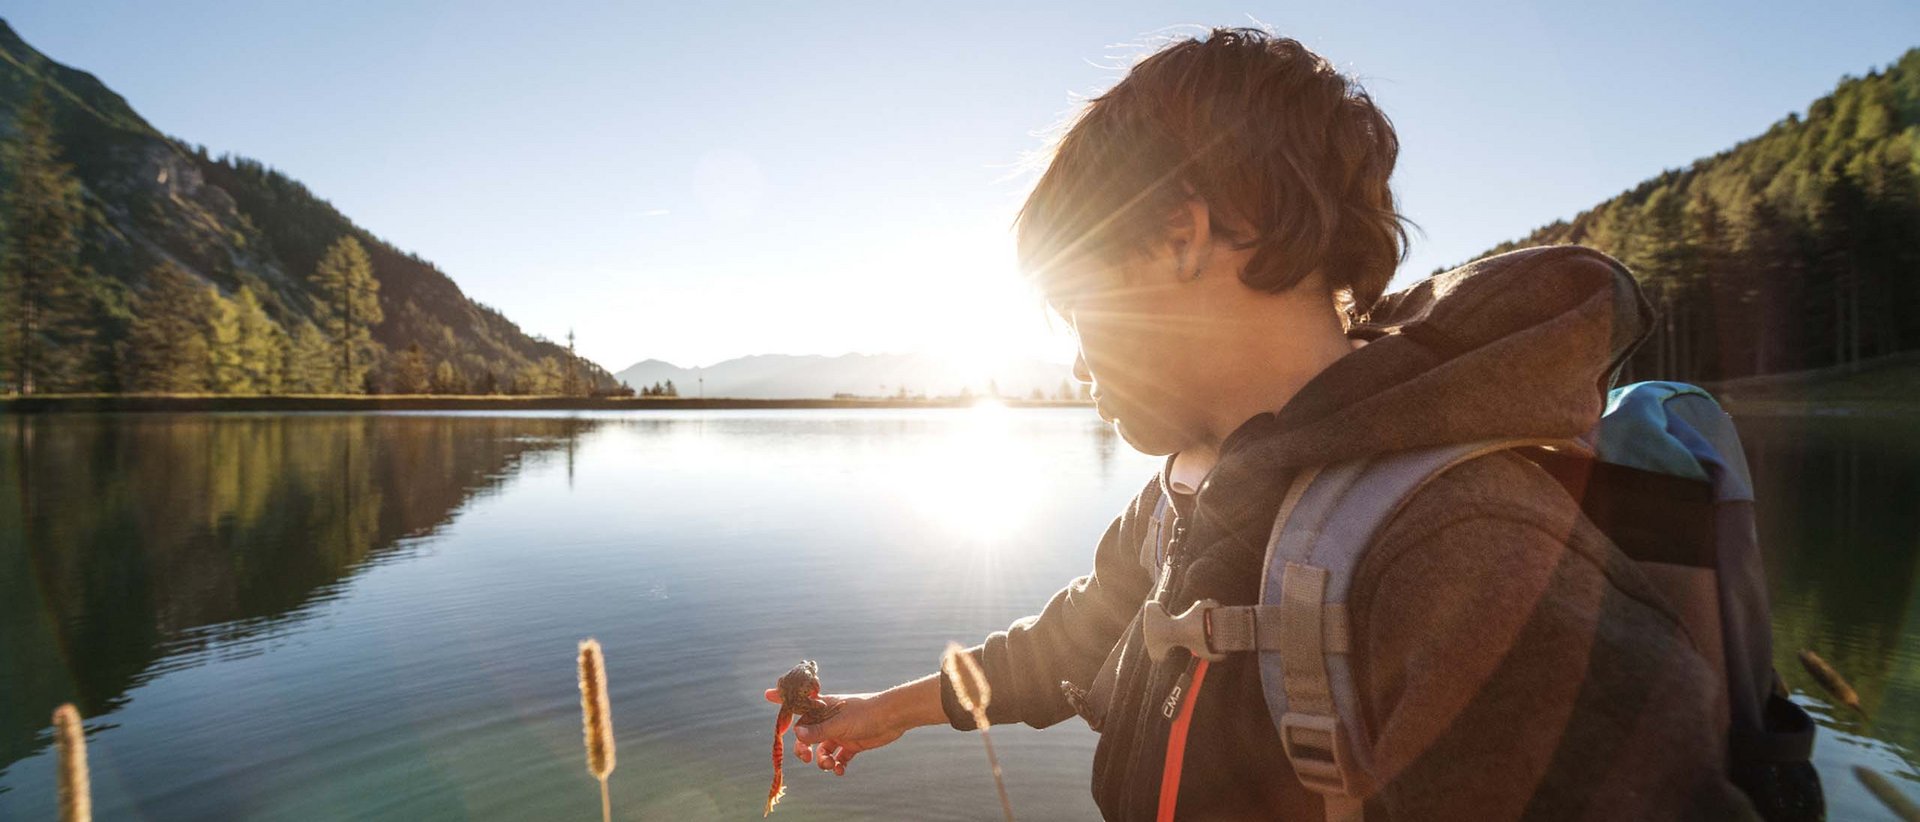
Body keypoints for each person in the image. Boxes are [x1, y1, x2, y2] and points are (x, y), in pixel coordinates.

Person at [765, 28, 1754, 819]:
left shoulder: (1469, 552)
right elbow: (1071, 644)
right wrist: (880, 713)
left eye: (1077, 303)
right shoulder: (1187, 493)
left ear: (1178, 235)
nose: (1074, 359)